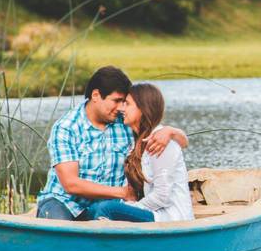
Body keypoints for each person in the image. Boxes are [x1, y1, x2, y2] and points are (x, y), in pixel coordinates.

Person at [36, 66, 188, 221]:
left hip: (105, 207)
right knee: (61, 228)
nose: (121, 107)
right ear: (96, 95)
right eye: (116, 101)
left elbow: (172, 140)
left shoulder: (125, 122)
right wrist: (123, 192)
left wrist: (171, 131)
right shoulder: (67, 128)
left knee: (105, 215)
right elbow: (70, 184)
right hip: (65, 202)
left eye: (124, 102)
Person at [86, 83, 194, 222]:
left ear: (143, 109)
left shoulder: (160, 143)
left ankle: (105, 243)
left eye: (127, 104)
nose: (121, 108)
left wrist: (134, 207)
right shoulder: (136, 142)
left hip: (168, 217)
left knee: (107, 209)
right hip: (149, 211)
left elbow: (162, 196)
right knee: (93, 209)